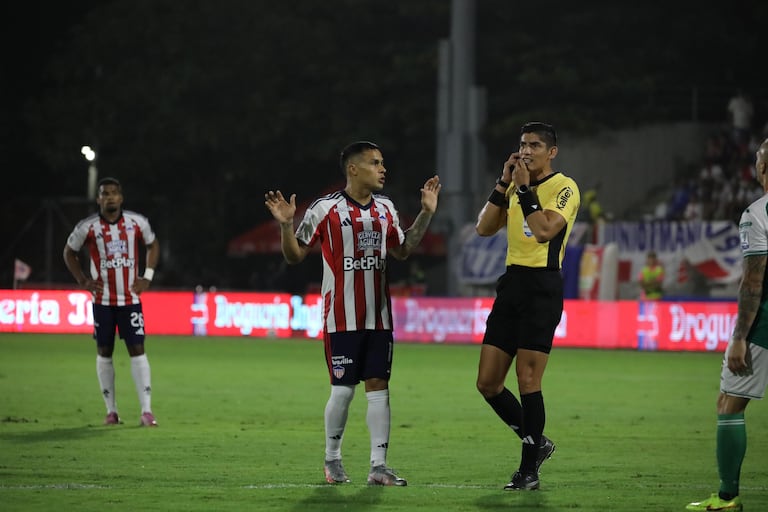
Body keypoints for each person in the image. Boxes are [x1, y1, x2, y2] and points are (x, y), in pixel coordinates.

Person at [264, 141, 440, 486]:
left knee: (379, 388)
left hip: (380, 318)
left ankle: (378, 467)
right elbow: (295, 256)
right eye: (375, 163)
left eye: (382, 162)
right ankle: (332, 460)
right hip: (341, 317)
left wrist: (426, 213)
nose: (383, 169)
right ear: (353, 169)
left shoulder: (386, 208)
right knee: (343, 390)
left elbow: (403, 250)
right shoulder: (325, 208)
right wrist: (286, 225)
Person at [474, 122, 580, 491]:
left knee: (528, 380)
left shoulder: (564, 187)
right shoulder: (514, 185)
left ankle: (528, 471)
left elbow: (545, 230)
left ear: (552, 152)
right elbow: (484, 228)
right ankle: (539, 444)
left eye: (535, 145)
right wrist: (503, 183)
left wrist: (523, 190)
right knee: (488, 383)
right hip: (512, 285)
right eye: (523, 144)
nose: (527, 150)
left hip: (542, 288)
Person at [686, 138, 768, 512]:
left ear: (762, 169)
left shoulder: (758, 214)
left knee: (729, 403)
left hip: (764, 324)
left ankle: (726, 496)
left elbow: (753, 281)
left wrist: (739, 337)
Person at [63, 177, 160, 427]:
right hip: (102, 301)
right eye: (105, 193)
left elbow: (153, 245)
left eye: (114, 193)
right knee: (104, 351)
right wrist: (83, 280)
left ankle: (147, 411)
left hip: (130, 299)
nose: (110, 197)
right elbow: (69, 252)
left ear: (121, 197)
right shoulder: (88, 227)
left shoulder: (137, 223)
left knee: (137, 349)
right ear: (99, 199)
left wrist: (147, 277)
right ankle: (111, 411)